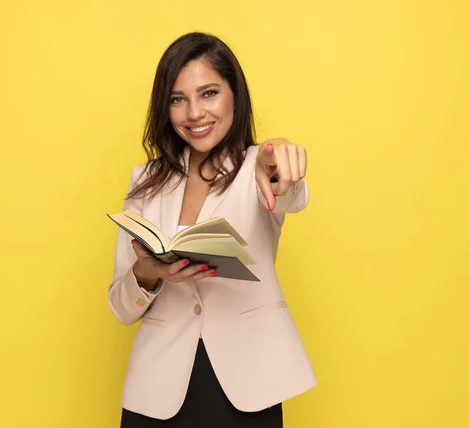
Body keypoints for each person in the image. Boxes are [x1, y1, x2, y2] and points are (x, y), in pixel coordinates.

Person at [108, 32, 317, 428]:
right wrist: (147, 275)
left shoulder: (258, 166)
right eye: (178, 99)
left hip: (248, 385)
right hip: (157, 391)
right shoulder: (145, 181)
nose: (194, 113)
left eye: (208, 94)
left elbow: (289, 194)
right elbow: (119, 307)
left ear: (234, 96)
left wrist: (281, 168)